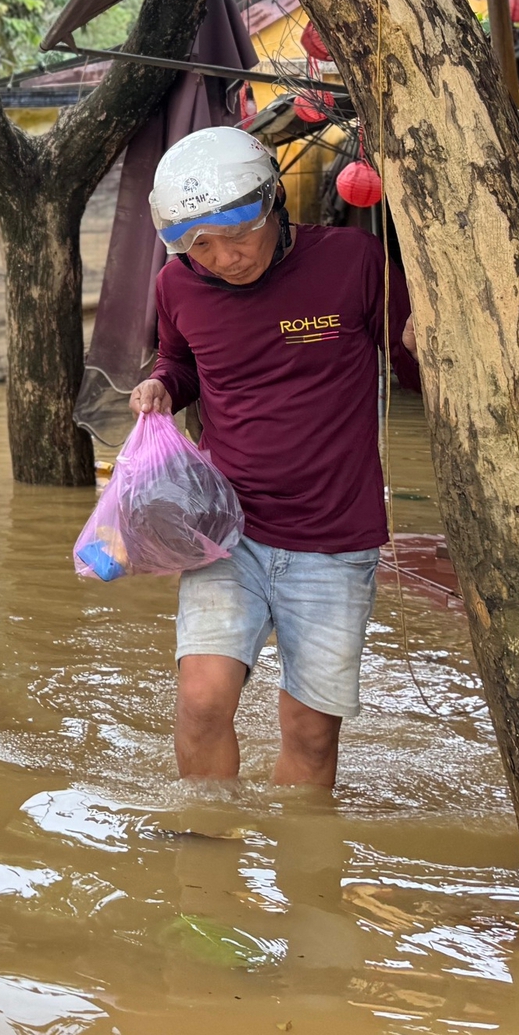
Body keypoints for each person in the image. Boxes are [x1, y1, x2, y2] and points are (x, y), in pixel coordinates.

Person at [128, 126, 419, 789]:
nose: (225, 258)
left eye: (238, 235)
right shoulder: (177, 285)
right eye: (201, 245)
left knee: (311, 735)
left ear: (274, 204)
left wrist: (425, 342)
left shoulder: (354, 260)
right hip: (228, 530)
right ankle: (206, 843)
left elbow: (415, 373)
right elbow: (181, 361)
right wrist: (162, 384)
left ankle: (301, 851)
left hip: (335, 538)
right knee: (202, 700)